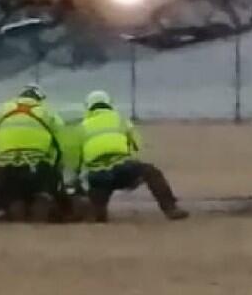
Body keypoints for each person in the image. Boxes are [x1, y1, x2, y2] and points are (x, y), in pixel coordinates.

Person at [77, 89, 188, 222]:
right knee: (151, 172)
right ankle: (171, 209)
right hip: (121, 169)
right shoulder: (120, 119)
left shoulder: (82, 126)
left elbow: (76, 157)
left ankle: (97, 214)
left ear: (88, 107)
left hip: (97, 176)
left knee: (97, 215)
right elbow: (136, 144)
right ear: (109, 103)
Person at [0, 83, 69, 222]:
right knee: (44, 190)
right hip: (38, 166)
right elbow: (63, 143)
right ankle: (41, 204)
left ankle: (15, 209)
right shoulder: (47, 112)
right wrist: (57, 166)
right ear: (39, 99)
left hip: (6, 166)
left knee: (12, 194)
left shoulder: (2, 110)